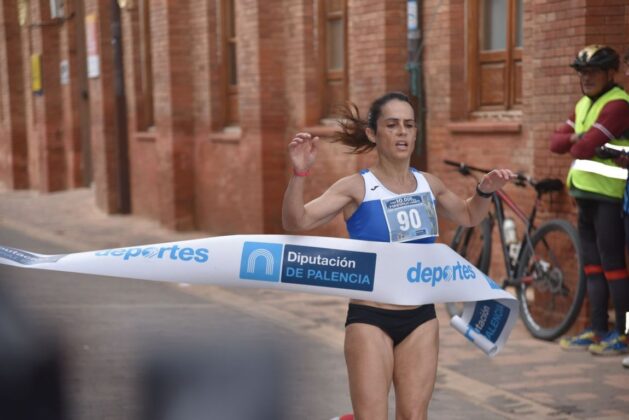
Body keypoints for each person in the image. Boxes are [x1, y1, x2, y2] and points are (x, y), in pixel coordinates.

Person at [281, 91, 515, 419]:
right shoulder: (355, 188)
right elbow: (297, 221)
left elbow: (468, 216)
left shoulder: (428, 185)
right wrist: (299, 174)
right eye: (392, 125)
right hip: (370, 318)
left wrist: (484, 191)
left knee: (413, 417)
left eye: (409, 125)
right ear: (374, 134)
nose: (402, 132)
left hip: (420, 317)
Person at [550, 45, 629, 356]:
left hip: (609, 197)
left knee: (614, 267)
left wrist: (578, 139)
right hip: (584, 196)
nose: (586, 78)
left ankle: (622, 333)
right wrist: (577, 137)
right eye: (582, 73)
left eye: (593, 72)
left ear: (611, 73)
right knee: (593, 267)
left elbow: (583, 149)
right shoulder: (584, 104)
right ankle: (598, 330)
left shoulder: (619, 105)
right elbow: (556, 143)